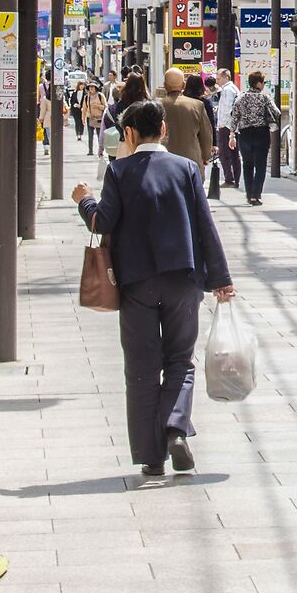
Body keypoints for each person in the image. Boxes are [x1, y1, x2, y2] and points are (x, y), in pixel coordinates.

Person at [72, 99, 235, 478]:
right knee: (180, 360)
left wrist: (84, 201)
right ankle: (176, 427)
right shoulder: (185, 169)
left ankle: (151, 455)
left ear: (127, 134)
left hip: (137, 284)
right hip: (183, 279)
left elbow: (102, 222)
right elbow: (205, 226)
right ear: (163, 130)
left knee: (142, 368)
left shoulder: (119, 171)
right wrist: (221, 279)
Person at [231, 71, 281, 205]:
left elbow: (234, 117)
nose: (264, 85)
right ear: (258, 83)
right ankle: (256, 195)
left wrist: (231, 135)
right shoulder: (264, 97)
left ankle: (248, 194)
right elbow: (277, 112)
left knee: (247, 165)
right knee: (260, 165)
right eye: (263, 82)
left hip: (245, 134)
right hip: (261, 133)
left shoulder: (241, 97)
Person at [160, 67, 214, 180]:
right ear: (183, 85)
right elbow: (206, 135)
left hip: (163, 161)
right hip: (191, 160)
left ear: (165, 85)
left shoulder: (157, 106)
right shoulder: (197, 105)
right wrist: (205, 156)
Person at [210, 69, 242, 189]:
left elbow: (228, 109)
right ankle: (235, 179)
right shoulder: (231, 89)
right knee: (234, 153)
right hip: (232, 126)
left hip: (227, 126)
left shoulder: (228, 90)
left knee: (224, 153)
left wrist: (223, 125)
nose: (217, 80)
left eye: (218, 78)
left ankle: (230, 179)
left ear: (226, 77)